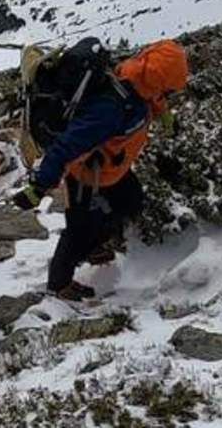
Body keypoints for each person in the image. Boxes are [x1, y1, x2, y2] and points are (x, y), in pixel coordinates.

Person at [15, 40, 188, 301]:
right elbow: (66, 147)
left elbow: (154, 97)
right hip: (87, 175)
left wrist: (163, 114)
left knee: (130, 202)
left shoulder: (138, 76)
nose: (169, 95)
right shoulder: (110, 109)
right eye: (169, 90)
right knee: (77, 233)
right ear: (158, 79)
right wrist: (39, 187)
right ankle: (58, 285)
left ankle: (95, 246)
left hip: (112, 170)